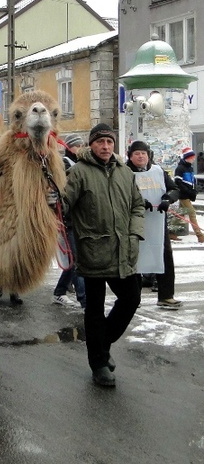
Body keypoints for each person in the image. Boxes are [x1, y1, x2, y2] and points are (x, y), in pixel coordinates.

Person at [63, 123, 144, 387]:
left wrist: (135, 233)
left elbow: (137, 205)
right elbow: (62, 205)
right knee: (95, 309)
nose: (106, 147)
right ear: (91, 144)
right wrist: (49, 197)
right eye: (100, 142)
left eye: (109, 142)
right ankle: (98, 364)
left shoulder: (125, 173)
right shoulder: (78, 173)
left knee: (131, 298)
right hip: (93, 250)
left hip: (124, 249)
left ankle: (102, 342)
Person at [126, 141, 182, 309]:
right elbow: (120, 194)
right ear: (130, 156)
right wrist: (139, 202)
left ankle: (166, 296)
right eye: (137, 153)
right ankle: (133, 298)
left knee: (164, 256)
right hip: (134, 223)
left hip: (158, 222)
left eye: (143, 153)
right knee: (135, 258)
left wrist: (168, 199)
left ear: (148, 155)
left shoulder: (158, 171)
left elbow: (175, 189)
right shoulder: (124, 172)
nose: (141, 156)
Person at [52, 133, 86, 308]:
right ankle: (84, 299)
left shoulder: (82, 164)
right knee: (75, 259)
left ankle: (60, 291)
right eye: (77, 145)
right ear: (68, 147)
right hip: (67, 218)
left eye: (82, 145)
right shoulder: (65, 164)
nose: (80, 148)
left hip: (80, 218)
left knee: (75, 260)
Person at [174, 147, 204, 243]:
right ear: (187, 158)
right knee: (192, 214)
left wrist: (194, 190)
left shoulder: (189, 168)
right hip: (183, 195)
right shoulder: (180, 168)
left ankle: (170, 232)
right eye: (192, 157)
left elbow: (190, 181)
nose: (194, 159)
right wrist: (188, 191)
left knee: (179, 216)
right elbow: (178, 182)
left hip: (188, 194)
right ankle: (200, 235)